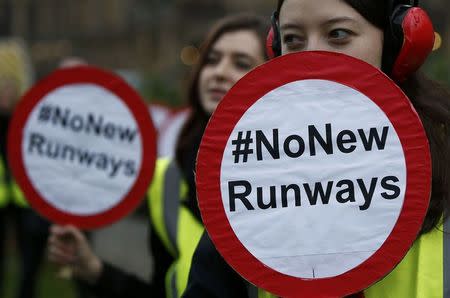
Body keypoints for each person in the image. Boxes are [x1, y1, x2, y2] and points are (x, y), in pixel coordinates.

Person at [183, 1, 450, 297]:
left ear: (396, 47)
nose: (311, 58)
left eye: (338, 34)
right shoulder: (249, 182)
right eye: (293, 39)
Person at [47, 13, 269, 298]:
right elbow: (162, 288)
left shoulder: (293, 179)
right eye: (211, 59)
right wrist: (94, 269)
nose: (219, 71)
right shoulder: (167, 179)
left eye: (241, 63)